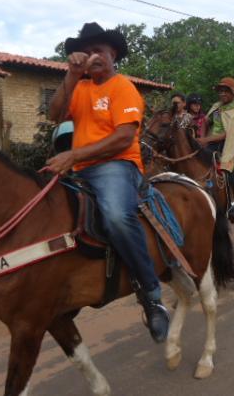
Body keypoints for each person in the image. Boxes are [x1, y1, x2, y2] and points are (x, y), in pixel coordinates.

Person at [46, 22, 169, 343]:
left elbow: (124, 137)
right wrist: (70, 76)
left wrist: (73, 156)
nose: (92, 56)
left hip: (117, 165)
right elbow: (54, 114)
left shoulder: (122, 87)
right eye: (87, 51)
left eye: (99, 50)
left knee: (116, 216)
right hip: (81, 167)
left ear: (113, 54)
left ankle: (152, 295)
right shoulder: (81, 87)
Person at [199, 77, 234, 223]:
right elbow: (205, 122)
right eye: (220, 91)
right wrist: (202, 138)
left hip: (231, 145)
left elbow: (231, 134)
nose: (222, 94)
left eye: (225, 91)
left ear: (233, 92)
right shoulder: (216, 106)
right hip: (210, 143)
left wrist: (206, 140)